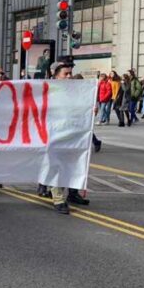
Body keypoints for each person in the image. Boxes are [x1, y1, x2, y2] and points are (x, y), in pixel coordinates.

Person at [46, 57, 91, 214]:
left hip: (74, 133)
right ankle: (58, 199)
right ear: (56, 75)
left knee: (75, 164)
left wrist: (90, 110)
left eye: (70, 73)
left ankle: (73, 193)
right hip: (56, 134)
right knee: (58, 166)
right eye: (66, 74)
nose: (69, 76)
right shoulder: (49, 90)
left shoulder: (75, 90)